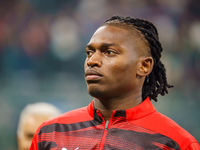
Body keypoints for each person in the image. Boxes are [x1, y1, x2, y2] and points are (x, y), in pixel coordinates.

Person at [30, 15, 200, 150]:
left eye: (109, 52)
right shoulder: (50, 133)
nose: (92, 61)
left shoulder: (176, 143)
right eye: (89, 52)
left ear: (144, 66)